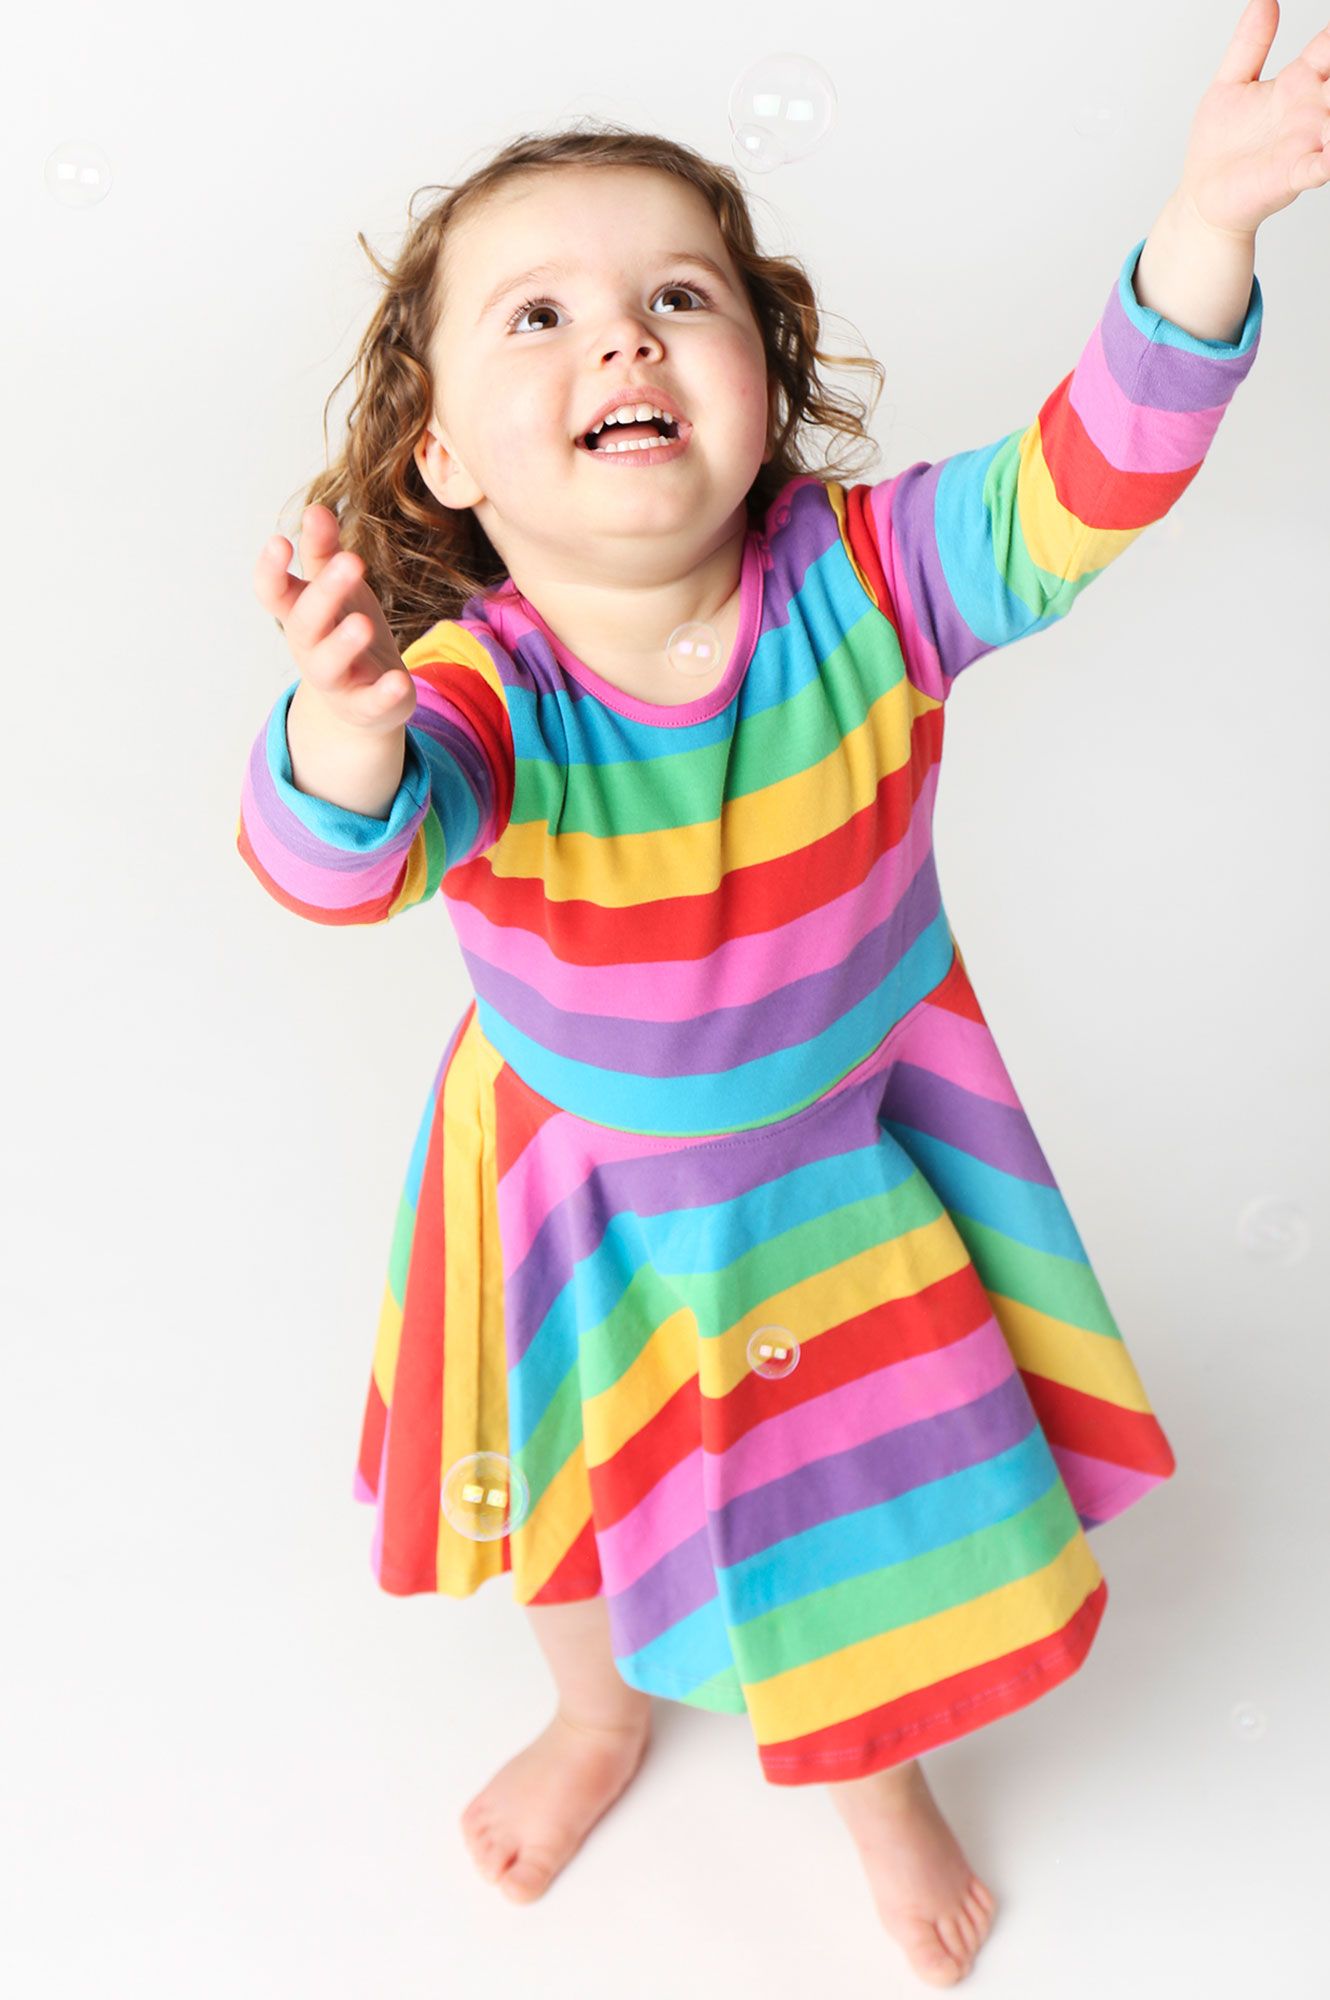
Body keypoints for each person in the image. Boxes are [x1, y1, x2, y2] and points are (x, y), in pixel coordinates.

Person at [239, 24, 1316, 1971]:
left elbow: (1091, 473)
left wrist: (1204, 222)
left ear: (765, 381)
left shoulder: (877, 580)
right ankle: (592, 1710)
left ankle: (870, 1781)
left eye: (676, 297)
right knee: (568, 1494)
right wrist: (329, 732)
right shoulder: (475, 691)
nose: (623, 343)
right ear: (447, 461)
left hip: (838, 1161)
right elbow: (347, 858)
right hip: (572, 1183)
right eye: (540, 315)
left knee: (848, 1520)